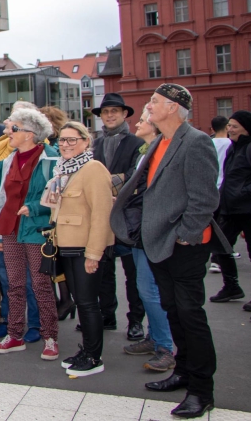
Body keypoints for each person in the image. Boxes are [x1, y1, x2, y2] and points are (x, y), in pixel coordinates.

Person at [111, 84, 219, 419]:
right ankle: (183, 372)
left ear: (173, 108)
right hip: (157, 242)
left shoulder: (196, 141)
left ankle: (201, 391)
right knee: (174, 312)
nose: (148, 106)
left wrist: (185, 236)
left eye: (155, 102)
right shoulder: (159, 142)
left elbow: (205, 198)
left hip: (183, 246)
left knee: (191, 315)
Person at [0, 108, 60, 360]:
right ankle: (15, 334)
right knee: (14, 284)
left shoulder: (51, 158)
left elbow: (58, 195)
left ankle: (50, 337)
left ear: (29, 134)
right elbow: (1, 198)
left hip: (36, 229)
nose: (7, 131)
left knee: (41, 285)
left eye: (14, 128)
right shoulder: (7, 160)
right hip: (10, 229)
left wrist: (35, 207)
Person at [50, 122, 113, 377]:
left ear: (86, 141)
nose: (65, 145)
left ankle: (93, 357)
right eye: (62, 140)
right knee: (81, 301)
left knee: (88, 304)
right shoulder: (64, 170)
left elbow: (102, 214)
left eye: (72, 140)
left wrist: (94, 254)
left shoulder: (93, 168)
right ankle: (86, 350)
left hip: (85, 248)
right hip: (66, 246)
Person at [0, 102, 43, 342]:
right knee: (7, 278)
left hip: (27, 226)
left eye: (14, 122)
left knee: (29, 280)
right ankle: (9, 320)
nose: (8, 124)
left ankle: (35, 324)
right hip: (2, 223)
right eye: (9, 120)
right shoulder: (1, 149)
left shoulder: (43, 152)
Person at [123, 107, 176, 373]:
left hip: (151, 230)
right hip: (138, 229)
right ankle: (155, 338)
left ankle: (166, 346)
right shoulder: (144, 153)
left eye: (143, 120)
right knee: (145, 288)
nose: (138, 123)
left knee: (149, 290)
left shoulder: (159, 152)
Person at [90, 93, 146, 342]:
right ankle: (107, 315)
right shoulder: (96, 144)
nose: (110, 115)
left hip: (129, 215)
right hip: (101, 216)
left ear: (125, 115)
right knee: (103, 269)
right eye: (105, 112)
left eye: (115, 111)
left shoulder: (137, 143)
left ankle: (136, 321)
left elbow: (138, 175)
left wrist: (112, 184)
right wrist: (119, 179)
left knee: (133, 273)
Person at [211, 111, 251, 310]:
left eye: (235, 126)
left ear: (246, 129)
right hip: (231, 209)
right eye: (229, 125)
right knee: (220, 246)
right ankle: (231, 287)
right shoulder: (233, 148)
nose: (230, 129)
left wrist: (241, 194)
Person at [211, 115, 231, 190]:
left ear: (212, 129)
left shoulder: (207, 143)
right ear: (227, 127)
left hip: (212, 184)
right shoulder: (231, 144)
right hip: (226, 185)